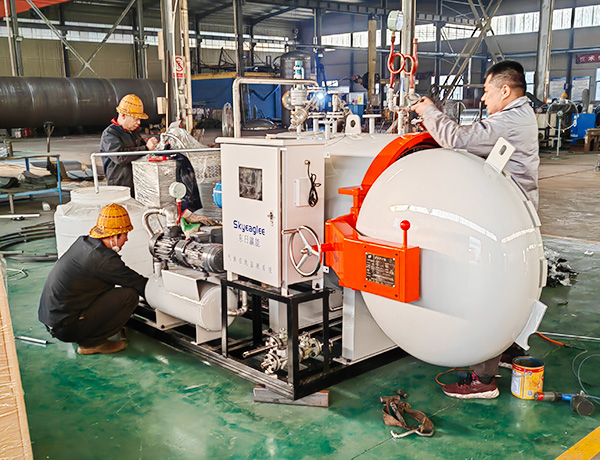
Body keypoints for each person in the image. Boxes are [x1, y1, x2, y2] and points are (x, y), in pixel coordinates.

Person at [412, 60, 540, 399]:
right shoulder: (522, 114)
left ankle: (483, 380)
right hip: (515, 213)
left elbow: (456, 139)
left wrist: (428, 110)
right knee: (510, 289)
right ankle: (508, 350)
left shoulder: (509, 120)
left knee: (490, 293)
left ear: (505, 90)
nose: (483, 98)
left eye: (486, 91)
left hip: (505, 216)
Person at [39, 203, 147, 355]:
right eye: (125, 235)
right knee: (129, 296)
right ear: (114, 236)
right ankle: (92, 343)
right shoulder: (104, 259)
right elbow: (136, 282)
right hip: (65, 327)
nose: (127, 239)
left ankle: (87, 328)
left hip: (54, 319)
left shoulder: (84, 243)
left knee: (111, 289)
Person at [100, 94, 159, 196]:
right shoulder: (109, 134)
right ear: (123, 115)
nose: (139, 122)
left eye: (139, 119)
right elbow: (119, 157)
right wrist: (145, 148)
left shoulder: (132, 132)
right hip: (119, 187)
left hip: (135, 184)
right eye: (135, 119)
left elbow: (141, 149)